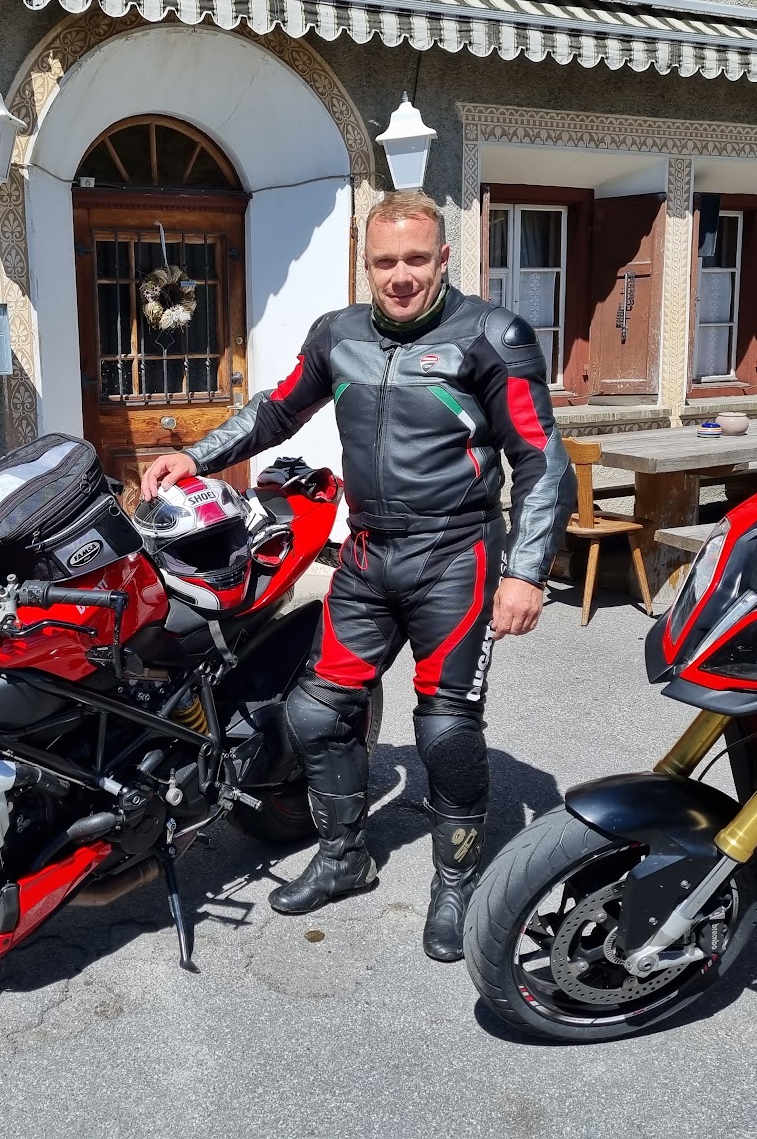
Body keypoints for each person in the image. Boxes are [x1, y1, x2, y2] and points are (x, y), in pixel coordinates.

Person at [141, 190, 571, 961]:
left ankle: (456, 883)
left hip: (456, 554)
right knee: (314, 714)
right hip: (368, 553)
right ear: (364, 265)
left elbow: (542, 460)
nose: (401, 276)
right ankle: (345, 856)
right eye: (385, 261)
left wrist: (528, 571)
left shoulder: (491, 334)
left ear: (443, 258)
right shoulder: (337, 335)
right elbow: (276, 411)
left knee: (445, 730)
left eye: (417, 259)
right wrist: (195, 455)